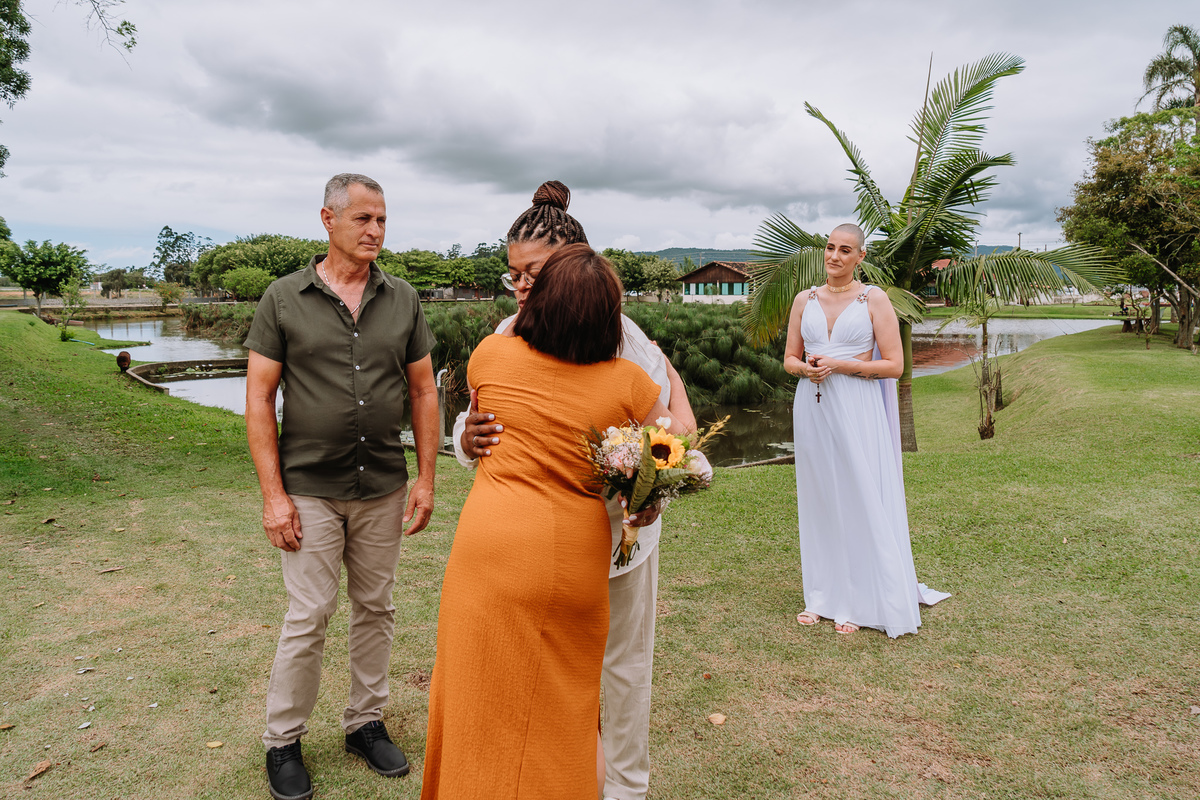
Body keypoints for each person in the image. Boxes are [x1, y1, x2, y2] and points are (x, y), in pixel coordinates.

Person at [452, 181, 695, 800]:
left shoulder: (629, 341)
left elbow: (672, 441)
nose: (522, 286)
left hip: (621, 539)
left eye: (534, 272)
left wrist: (645, 488)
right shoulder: (505, 334)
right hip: (539, 543)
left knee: (621, 666)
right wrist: (466, 436)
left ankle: (625, 788)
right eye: (513, 275)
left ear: (576, 260)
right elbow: (482, 412)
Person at [244, 173, 439, 800]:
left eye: (382, 220)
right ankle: (283, 741)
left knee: (376, 609)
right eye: (363, 219)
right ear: (328, 220)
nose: (376, 231)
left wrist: (428, 479)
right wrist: (274, 496)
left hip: (383, 483)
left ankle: (365, 723)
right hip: (309, 488)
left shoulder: (403, 299)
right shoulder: (282, 298)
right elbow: (259, 398)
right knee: (310, 613)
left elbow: (423, 391)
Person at [784, 223, 949, 638]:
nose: (834, 256)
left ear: (860, 257)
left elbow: (894, 365)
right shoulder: (804, 300)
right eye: (829, 248)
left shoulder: (873, 299)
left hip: (857, 405)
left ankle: (859, 599)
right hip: (813, 405)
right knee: (821, 496)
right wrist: (806, 369)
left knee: (857, 492)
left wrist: (842, 365)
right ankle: (821, 595)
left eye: (845, 250)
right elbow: (789, 358)